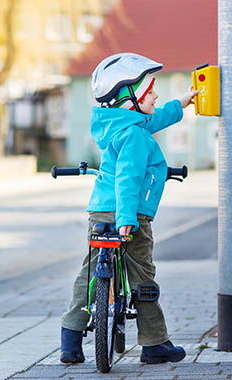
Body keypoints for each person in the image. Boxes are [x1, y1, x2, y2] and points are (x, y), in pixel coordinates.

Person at [60, 53, 198, 365]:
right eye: (150, 91)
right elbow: (128, 178)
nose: (156, 95)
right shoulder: (135, 136)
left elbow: (154, 118)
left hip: (99, 211)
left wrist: (182, 103)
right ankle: (154, 342)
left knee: (91, 269)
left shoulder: (118, 124)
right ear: (129, 99)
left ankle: (70, 338)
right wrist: (126, 219)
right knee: (141, 273)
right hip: (129, 213)